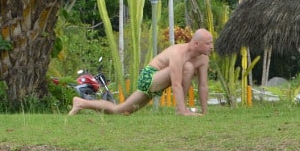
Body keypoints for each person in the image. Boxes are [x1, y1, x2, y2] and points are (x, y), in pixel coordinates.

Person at [69, 28, 213, 117]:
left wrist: (205, 112)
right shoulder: (177, 53)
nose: (211, 47)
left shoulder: (203, 60)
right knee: (187, 67)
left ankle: (81, 103)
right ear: (196, 43)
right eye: (208, 43)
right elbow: (176, 85)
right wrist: (184, 111)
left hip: (159, 81)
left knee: (120, 111)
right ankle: (181, 110)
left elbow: (203, 86)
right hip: (149, 77)